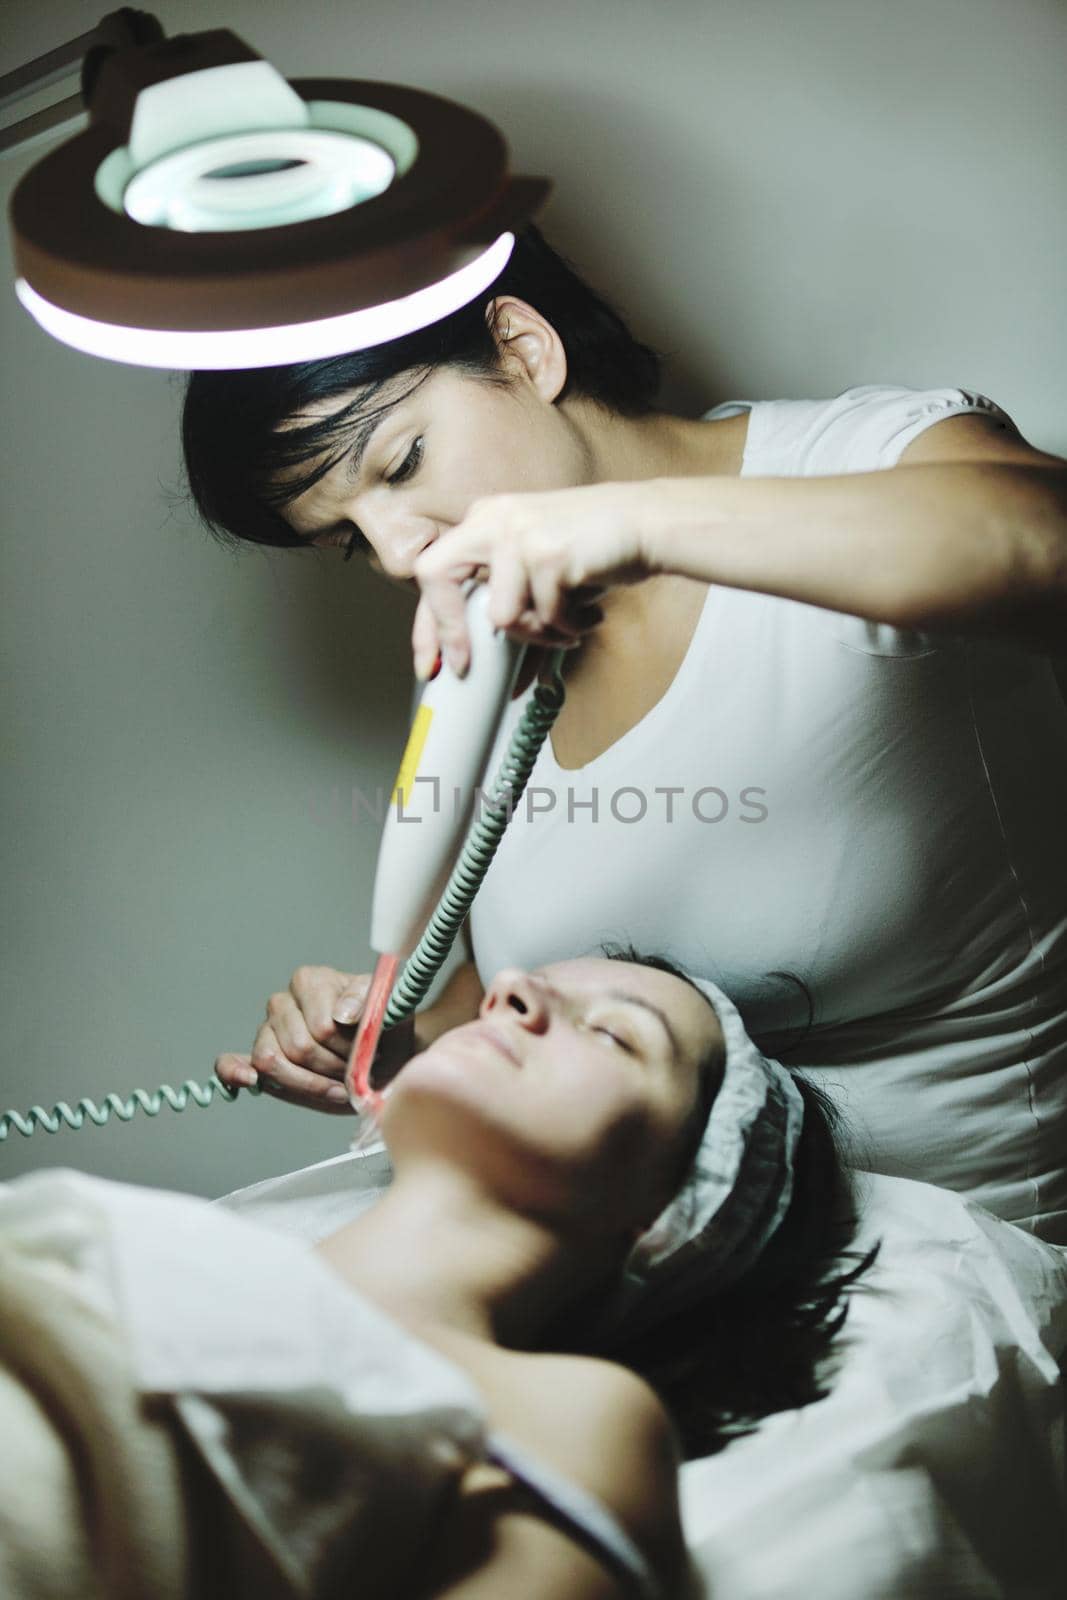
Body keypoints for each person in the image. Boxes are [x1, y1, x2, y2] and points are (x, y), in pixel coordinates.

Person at [181, 223, 1067, 1243]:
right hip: (677, 1272)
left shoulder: (859, 460)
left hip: (976, 1264)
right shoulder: (496, 651)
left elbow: (1037, 542)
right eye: (347, 539)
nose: (394, 554)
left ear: (521, 348)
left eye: (401, 463)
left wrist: (638, 525)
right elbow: (517, 986)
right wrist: (392, 1041)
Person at [0, 953, 870, 1600]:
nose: (510, 995)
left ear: (672, 1211)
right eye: (516, 990)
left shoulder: (573, 1415)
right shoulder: (185, 1240)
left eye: (612, 1033)